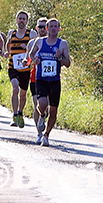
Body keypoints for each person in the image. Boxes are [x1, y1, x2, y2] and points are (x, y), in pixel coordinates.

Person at [29, 18, 71, 147]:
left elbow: (68, 63)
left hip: (54, 81)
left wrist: (60, 57)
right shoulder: (40, 42)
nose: (53, 28)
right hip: (41, 79)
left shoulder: (63, 44)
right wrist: (35, 59)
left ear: (59, 29)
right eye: (50, 26)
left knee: (53, 111)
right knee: (42, 103)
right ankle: (42, 115)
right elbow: (31, 55)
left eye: (55, 26)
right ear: (47, 29)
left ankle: (46, 135)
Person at [5, 10, 37, 127]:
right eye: (20, 18)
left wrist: (27, 46)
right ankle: (14, 115)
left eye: (24, 19)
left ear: (27, 21)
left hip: (25, 68)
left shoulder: (31, 34)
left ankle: (20, 113)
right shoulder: (11, 33)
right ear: (16, 20)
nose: (22, 21)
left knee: (23, 94)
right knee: (15, 89)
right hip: (13, 66)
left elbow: (36, 47)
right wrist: (7, 52)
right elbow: (7, 43)